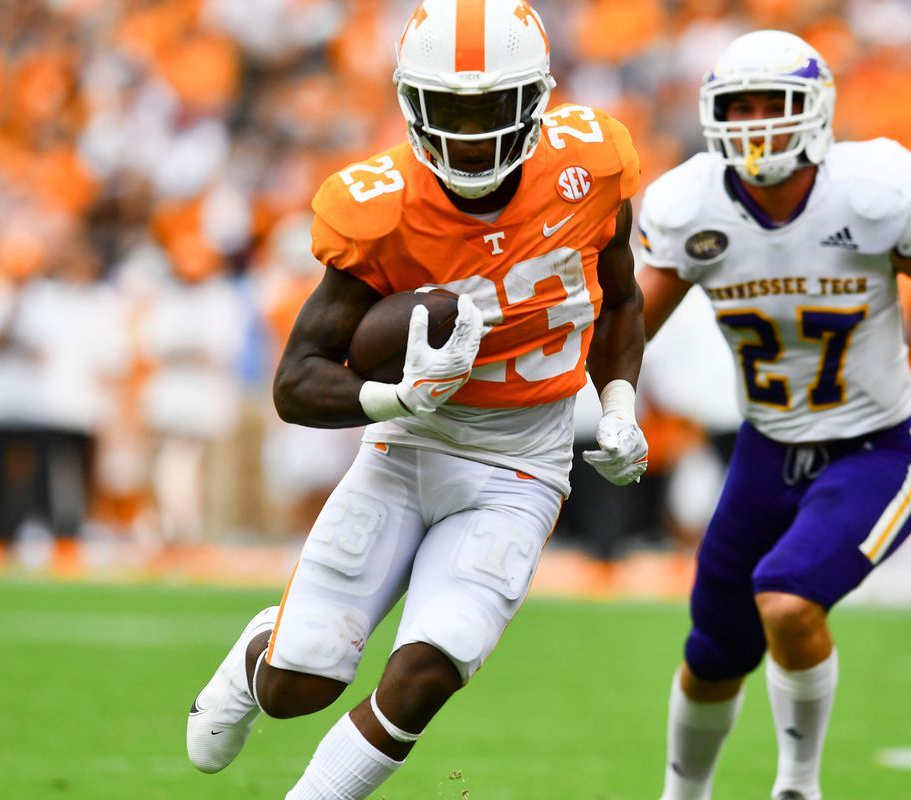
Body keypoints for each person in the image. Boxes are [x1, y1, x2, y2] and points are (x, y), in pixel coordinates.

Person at [185, 2, 648, 798]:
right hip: (410, 449)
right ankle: (262, 651)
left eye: (491, 107)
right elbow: (297, 381)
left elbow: (623, 298)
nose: (470, 132)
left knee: (431, 667)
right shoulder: (380, 205)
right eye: (450, 109)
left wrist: (618, 402)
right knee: (303, 685)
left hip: (521, 464)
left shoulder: (594, 165)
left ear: (536, 99)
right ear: (410, 103)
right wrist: (392, 396)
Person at [636, 31, 911, 800]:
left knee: (786, 600)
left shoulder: (870, 194)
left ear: (814, 112)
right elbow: (630, 327)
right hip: (765, 447)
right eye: (737, 106)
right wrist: (599, 400)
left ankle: (798, 786)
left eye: (771, 105)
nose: (753, 124)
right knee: (714, 648)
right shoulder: (693, 208)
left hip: (870, 449)